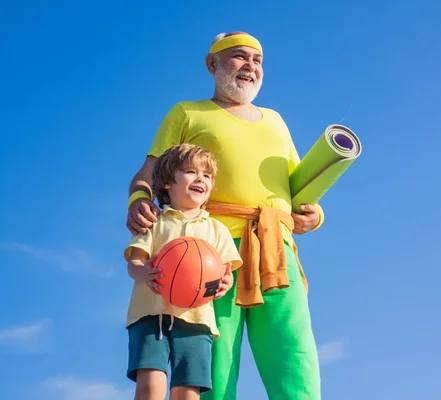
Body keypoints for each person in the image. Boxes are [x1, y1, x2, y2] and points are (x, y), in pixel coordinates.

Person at [126, 31, 324, 400]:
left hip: (276, 251)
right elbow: (149, 173)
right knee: (216, 360)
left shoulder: (276, 121)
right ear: (212, 64)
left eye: (257, 60)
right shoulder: (187, 112)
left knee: (294, 352)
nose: (250, 66)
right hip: (209, 252)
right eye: (239, 57)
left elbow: (300, 187)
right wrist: (139, 199)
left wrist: (315, 215)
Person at [124, 143, 243, 400]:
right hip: (150, 314)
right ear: (168, 182)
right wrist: (144, 273)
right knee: (150, 385)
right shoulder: (155, 222)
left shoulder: (217, 229)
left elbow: (226, 273)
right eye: (191, 171)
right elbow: (134, 263)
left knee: (188, 391)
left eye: (207, 175)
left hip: (197, 320)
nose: (201, 178)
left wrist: (224, 283)